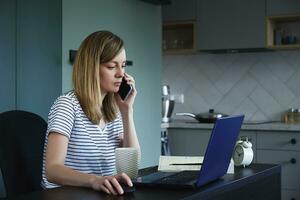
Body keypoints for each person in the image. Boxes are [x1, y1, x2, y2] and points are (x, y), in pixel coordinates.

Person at [41, 30, 140, 195]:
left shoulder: (114, 111)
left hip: (100, 195)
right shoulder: (67, 105)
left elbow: (131, 167)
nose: (121, 74)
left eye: (123, 66)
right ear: (92, 68)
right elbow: (52, 170)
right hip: (65, 196)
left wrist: (127, 112)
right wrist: (95, 180)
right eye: (111, 66)